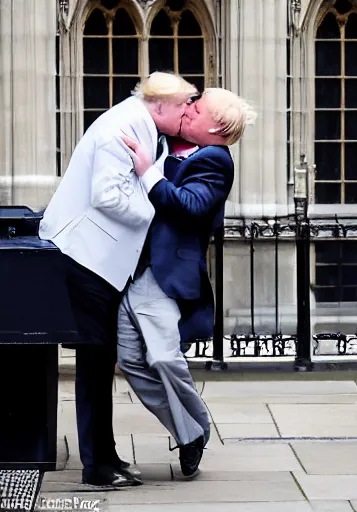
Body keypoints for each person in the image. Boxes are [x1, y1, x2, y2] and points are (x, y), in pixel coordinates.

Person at [39, 72, 198, 487]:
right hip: (87, 261)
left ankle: (105, 457)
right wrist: (159, 215)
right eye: (183, 106)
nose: (187, 114)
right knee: (93, 366)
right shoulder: (120, 129)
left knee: (100, 364)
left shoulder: (141, 126)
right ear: (159, 104)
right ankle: (96, 467)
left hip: (99, 263)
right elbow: (107, 196)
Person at [117, 88, 257, 480]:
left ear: (213, 125)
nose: (188, 108)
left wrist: (147, 170)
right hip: (130, 268)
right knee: (130, 360)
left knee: (162, 357)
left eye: (195, 107)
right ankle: (188, 432)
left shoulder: (215, 161)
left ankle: (197, 426)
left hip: (164, 274)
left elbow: (190, 207)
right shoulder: (171, 141)